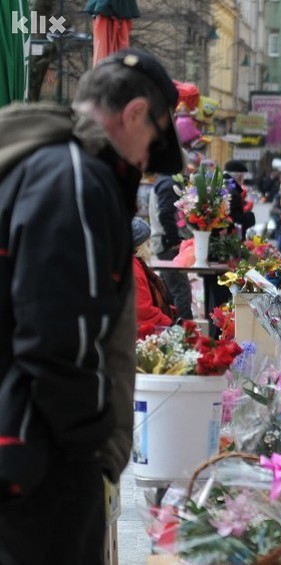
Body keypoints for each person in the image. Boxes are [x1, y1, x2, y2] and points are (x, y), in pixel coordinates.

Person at [0, 48, 184, 564]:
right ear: (133, 115)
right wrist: (92, 446)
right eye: (154, 140)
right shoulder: (74, 177)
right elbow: (60, 335)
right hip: (41, 464)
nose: (147, 161)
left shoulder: (33, 165)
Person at [149, 171, 193, 320]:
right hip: (167, 245)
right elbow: (166, 214)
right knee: (181, 291)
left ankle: (171, 329)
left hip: (163, 243)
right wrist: (174, 241)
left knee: (169, 290)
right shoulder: (168, 183)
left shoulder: (162, 180)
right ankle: (185, 334)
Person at [132, 217, 176, 331]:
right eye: (148, 240)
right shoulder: (134, 269)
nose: (150, 243)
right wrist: (169, 323)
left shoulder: (136, 265)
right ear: (141, 244)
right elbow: (143, 310)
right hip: (143, 331)